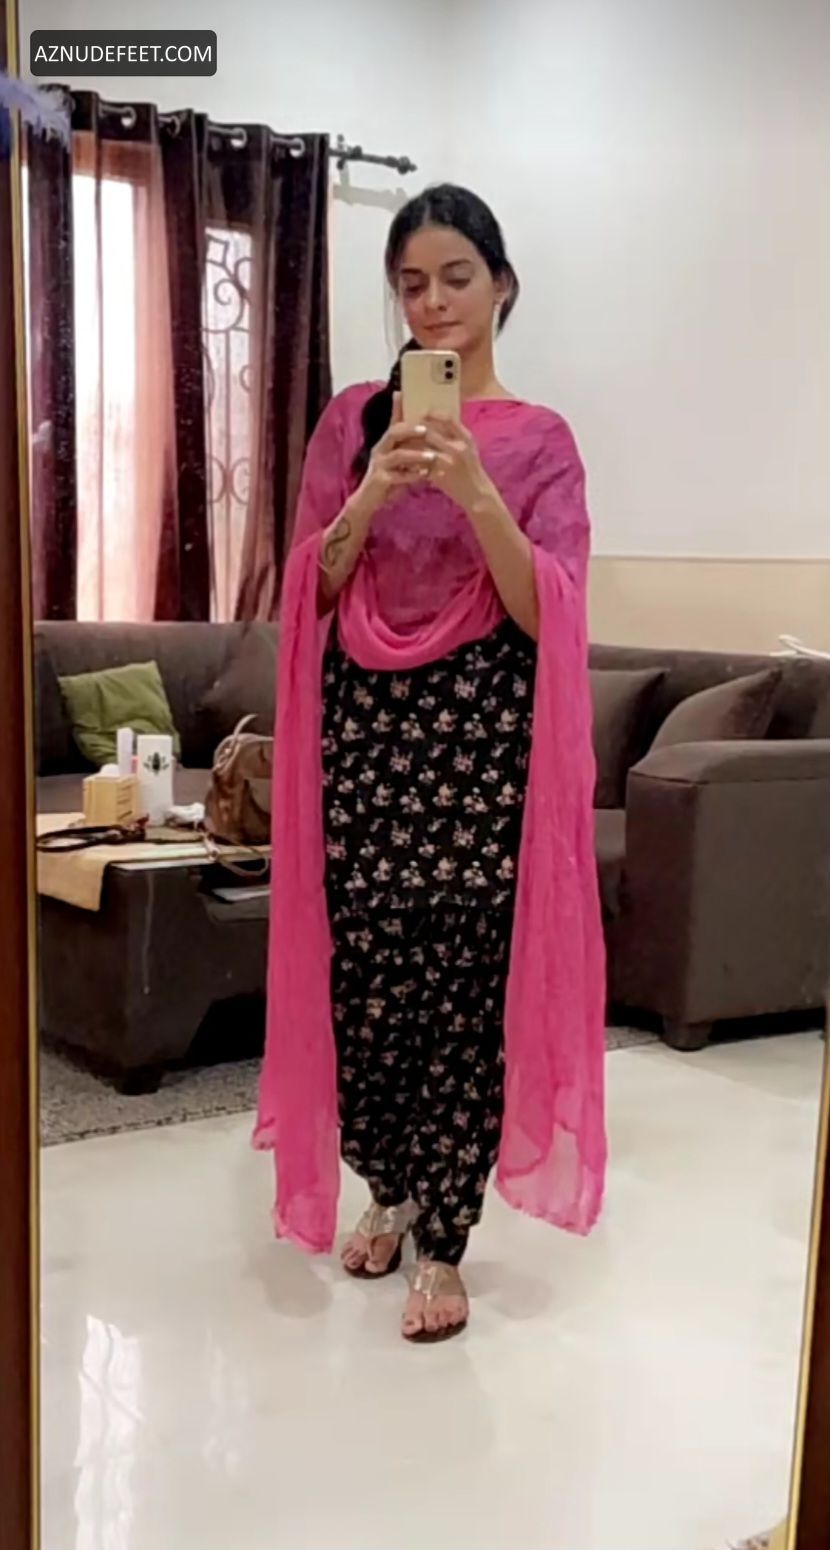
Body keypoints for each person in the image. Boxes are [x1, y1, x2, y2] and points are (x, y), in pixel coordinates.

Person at [255, 184, 606, 1344]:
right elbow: (310, 588)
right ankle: (387, 1184)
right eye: (410, 283)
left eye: (455, 277)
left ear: (500, 284)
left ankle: (443, 1235)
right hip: (365, 728)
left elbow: (547, 609)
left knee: (458, 977)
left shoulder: (539, 440)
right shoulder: (352, 419)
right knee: (363, 967)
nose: (433, 302)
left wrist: (472, 490)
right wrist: (369, 490)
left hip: (476, 734)